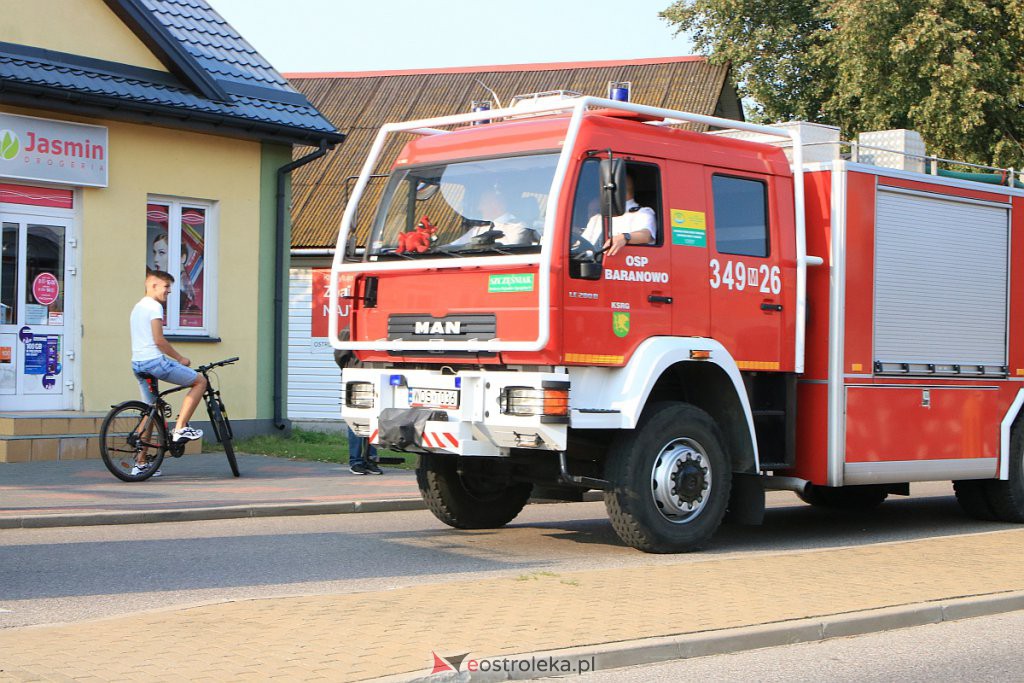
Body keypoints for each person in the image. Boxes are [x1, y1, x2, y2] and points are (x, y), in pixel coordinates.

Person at [129, 270, 206, 476]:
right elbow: (159, 340)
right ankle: (180, 427)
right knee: (200, 381)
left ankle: (141, 463)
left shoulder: (137, 307)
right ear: (153, 285)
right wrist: (180, 359)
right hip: (155, 362)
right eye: (166, 287)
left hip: (138, 363)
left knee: (150, 411)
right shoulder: (154, 307)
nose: (169, 291)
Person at [334, 330, 382, 475]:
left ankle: (370, 459)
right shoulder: (349, 331)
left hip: (376, 376)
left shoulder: (377, 326)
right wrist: (351, 369)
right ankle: (356, 461)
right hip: (356, 378)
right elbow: (340, 356)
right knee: (356, 420)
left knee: (374, 420)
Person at [580, 173, 656, 257]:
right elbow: (583, 245)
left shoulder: (642, 213)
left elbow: (646, 235)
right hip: (591, 265)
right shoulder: (597, 218)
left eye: (608, 189)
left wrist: (624, 237)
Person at [447, 188, 537, 247]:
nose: (479, 208)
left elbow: (509, 252)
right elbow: (455, 245)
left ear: (495, 205)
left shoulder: (517, 226)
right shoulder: (479, 227)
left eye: (482, 203)